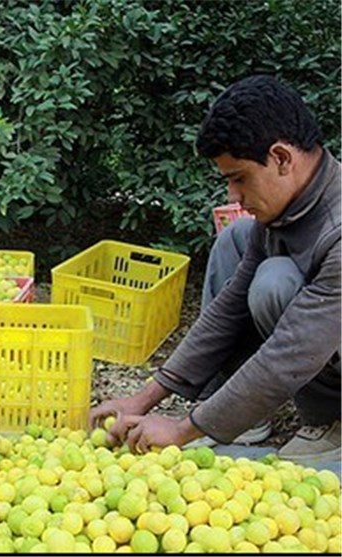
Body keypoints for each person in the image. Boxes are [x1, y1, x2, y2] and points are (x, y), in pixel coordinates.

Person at [89, 75, 341, 463]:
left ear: (281, 158)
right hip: (311, 338)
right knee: (235, 239)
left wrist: (183, 429)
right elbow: (230, 306)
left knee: (275, 282)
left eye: (239, 179)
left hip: (315, 343)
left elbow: (291, 351)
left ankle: (330, 419)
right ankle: (232, 410)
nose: (232, 196)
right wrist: (145, 398)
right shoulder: (281, 211)